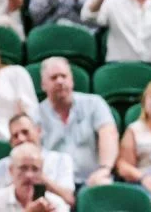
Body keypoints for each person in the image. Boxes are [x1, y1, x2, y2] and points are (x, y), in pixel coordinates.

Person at [37, 57, 119, 187]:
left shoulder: (94, 103)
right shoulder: (36, 114)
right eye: (53, 78)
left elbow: (108, 135)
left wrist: (105, 169)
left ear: (72, 80)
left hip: (92, 178)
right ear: (43, 85)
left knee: (104, 187)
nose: (60, 81)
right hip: (54, 183)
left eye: (64, 76)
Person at [0, 113, 76, 207]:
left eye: (25, 132)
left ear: (38, 131)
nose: (21, 139)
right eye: (15, 136)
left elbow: (69, 199)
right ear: (11, 142)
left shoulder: (61, 159)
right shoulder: (2, 165)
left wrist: (38, 176)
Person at [0, 143, 70, 212]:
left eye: (35, 169)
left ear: (42, 173)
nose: (29, 175)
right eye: (23, 168)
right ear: (11, 170)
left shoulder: (56, 203)